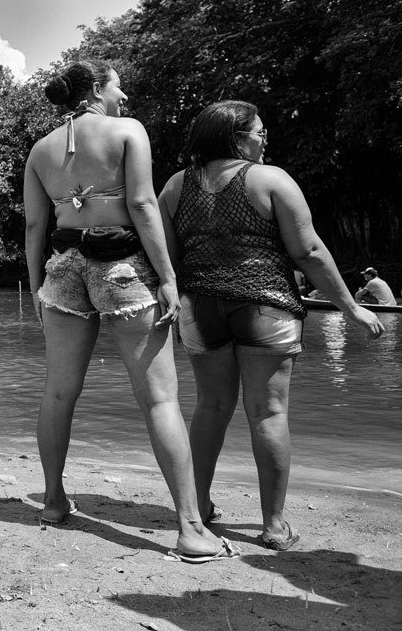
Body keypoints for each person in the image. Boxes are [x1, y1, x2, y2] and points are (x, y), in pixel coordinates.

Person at [24, 60, 230, 562]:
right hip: (122, 266)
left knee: (57, 392)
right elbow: (141, 205)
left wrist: (35, 286)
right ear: (97, 89)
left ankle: (53, 502)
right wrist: (168, 276)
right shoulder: (128, 131)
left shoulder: (40, 150)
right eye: (118, 86)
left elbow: (34, 226)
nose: (125, 95)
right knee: (159, 399)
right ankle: (190, 529)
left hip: (62, 268)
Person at [158, 100, 384, 551]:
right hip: (266, 305)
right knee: (269, 412)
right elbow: (309, 252)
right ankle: (275, 527)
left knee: (210, 407)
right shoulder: (271, 180)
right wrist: (350, 308)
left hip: (200, 307)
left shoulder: (175, 187)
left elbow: (169, 258)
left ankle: (198, 509)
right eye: (260, 133)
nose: (265, 140)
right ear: (236, 138)